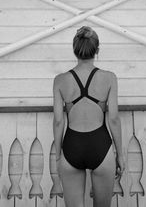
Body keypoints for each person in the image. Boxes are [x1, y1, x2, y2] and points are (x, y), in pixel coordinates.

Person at [53, 26, 125, 207]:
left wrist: (58, 155)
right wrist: (120, 155)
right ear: (97, 50)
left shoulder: (60, 80)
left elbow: (58, 121)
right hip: (100, 145)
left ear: (75, 50)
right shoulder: (109, 78)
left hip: (72, 147)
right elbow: (114, 119)